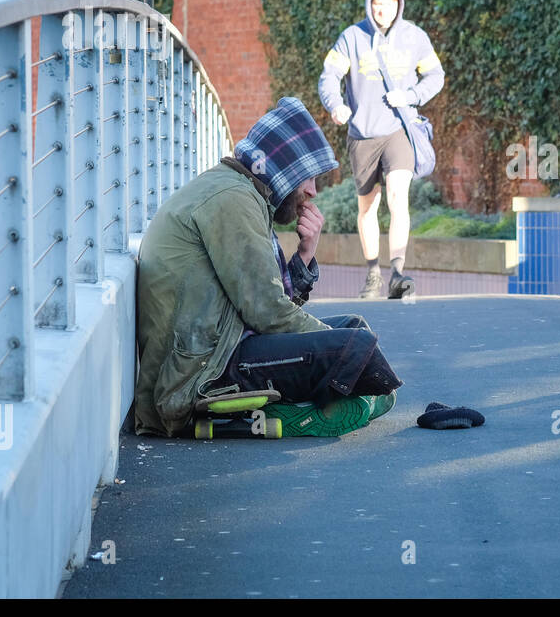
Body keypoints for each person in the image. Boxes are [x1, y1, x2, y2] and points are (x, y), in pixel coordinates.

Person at [134, 96, 403, 438]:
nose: (313, 191)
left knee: (353, 328)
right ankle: (305, 411)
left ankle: (331, 401)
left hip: (219, 346)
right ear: (284, 168)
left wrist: (306, 252)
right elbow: (270, 314)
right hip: (199, 374)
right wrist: (347, 350)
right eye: (308, 178)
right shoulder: (232, 200)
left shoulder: (240, 192)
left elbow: (267, 302)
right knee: (353, 345)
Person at [319, 0, 445, 300]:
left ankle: (398, 274)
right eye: (377, 4)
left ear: (398, 4)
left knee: (397, 197)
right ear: (369, 4)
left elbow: (436, 75)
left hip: (399, 131)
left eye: (388, 5)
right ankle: (373, 272)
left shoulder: (414, 37)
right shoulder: (352, 38)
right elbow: (329, 76)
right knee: (368, 206)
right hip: (362, 134)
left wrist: (412, 95)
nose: (382, 11)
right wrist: (336, 105)